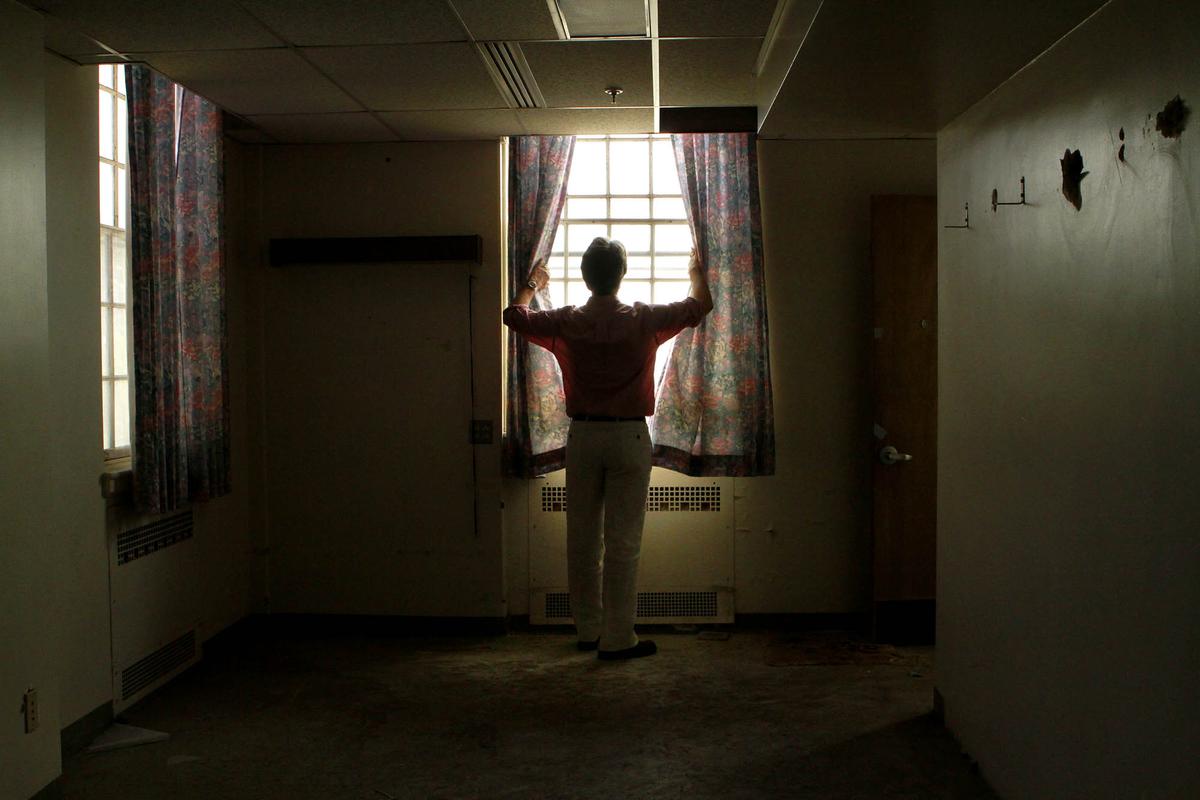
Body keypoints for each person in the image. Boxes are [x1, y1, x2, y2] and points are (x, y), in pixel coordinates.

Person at [503, 237, 713, 659]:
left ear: (584, 276)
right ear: (622, 275)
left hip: (583, 437)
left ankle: (588, 631)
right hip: (629, 437)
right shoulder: (643, 318)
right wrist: (694, 273)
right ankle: (619, 638)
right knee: (623, 542)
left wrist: (531, 282)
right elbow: (699, 306)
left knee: (582, 538)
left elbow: (514, 316)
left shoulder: (567, 321)